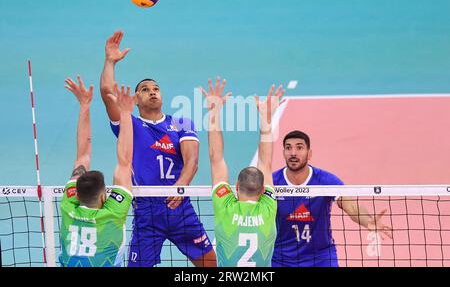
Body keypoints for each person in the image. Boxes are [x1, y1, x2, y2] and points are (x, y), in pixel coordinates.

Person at [100, 31, 216, 267]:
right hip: (146, 209)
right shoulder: (130, 124)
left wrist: (181, 185)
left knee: (209, 263)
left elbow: (192, 160)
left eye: (156, 88)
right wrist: (110, 61)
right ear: (135, 99)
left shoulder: (181, 123)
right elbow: (107, 93)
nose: (152, 91)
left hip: (180, 205)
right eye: (144, 89)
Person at [272, 130, 393, 267]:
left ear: (309, 153)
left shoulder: (326, 180)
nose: (293, 153)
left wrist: (368, 221)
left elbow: (351, 206)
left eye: (299, 147)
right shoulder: (272, 182)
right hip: (280, 259)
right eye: (288, 148)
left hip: (320, 258)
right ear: (283, 153)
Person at [200, 78, 284, 266]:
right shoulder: (268, 207)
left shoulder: (225, 206)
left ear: (236, 186)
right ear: (263, 190)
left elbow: (216, 159)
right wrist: (266, 120)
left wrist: (214, 113)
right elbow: (266, 163)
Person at [59, 76, 135, 267]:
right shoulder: (112, 215)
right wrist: (125, 113)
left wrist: (84, 105)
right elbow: (125, 163)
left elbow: (82, 156)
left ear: (77, 193)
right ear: (103, 197)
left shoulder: (69, 207)